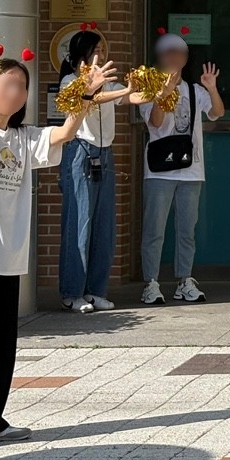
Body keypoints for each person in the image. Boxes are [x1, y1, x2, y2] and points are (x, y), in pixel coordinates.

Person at [0, 41, 113, 454]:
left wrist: (85, 94)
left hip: (6, 252)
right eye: (7, 83)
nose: (15, 92)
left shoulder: (24, 138)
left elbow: (68, 132)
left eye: (22, 86)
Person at [56, 28, 141, 315]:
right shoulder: (70, 81)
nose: (101, 56)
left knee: (104, 225)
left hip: (104, 154)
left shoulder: (105, 83)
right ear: (81, 55)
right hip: (80, 152)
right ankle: (71, 292)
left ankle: (95, 291)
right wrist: (119, 90)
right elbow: (88, 98)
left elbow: (131, 98)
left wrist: (161, 88)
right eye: (96, 51)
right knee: (79, 223)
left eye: (102, 51)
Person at [140, 31, 224, 305]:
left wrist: (211, 87)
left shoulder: (194, 90)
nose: (175, 57)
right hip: (159, 170)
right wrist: (163, 92)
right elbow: (155, 121)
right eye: (169, 52)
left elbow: (217, 113)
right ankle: (151, 283)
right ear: (161, 56)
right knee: (155, 228)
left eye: (180, 53)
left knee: (187, 229)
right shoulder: (148, 88)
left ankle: (184, 280)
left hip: (191, 170)